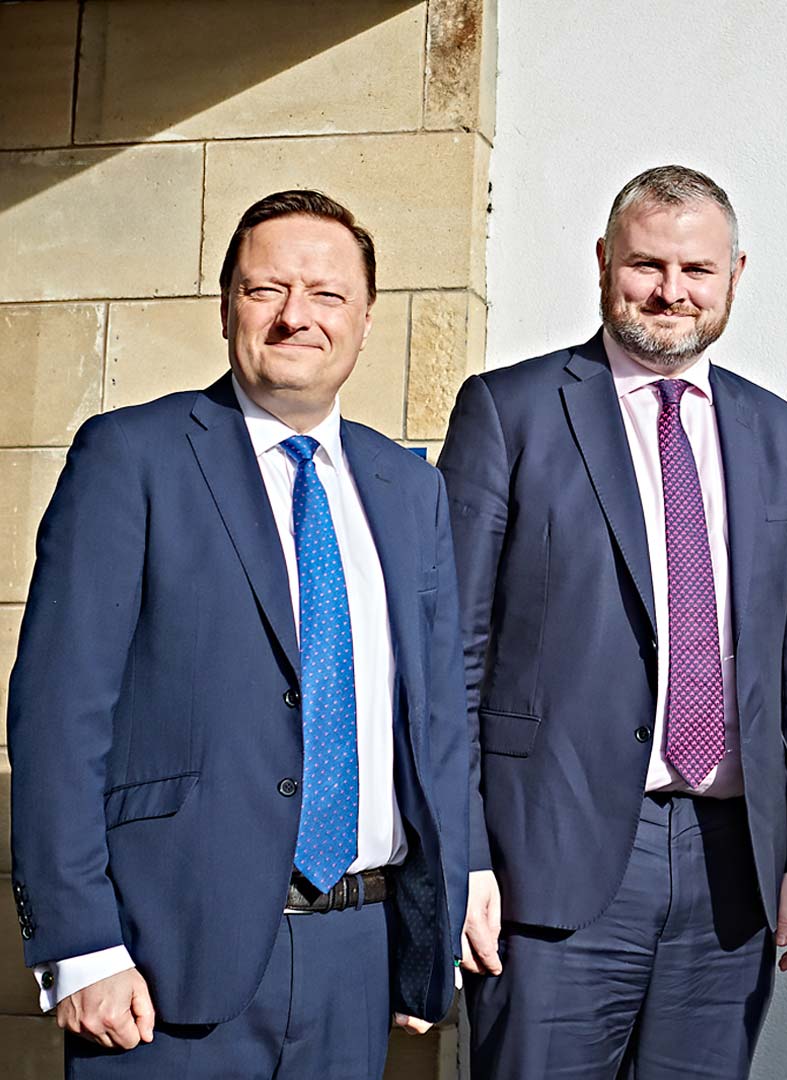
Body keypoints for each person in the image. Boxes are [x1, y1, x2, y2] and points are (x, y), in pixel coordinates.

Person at [7, 190, 469, 1077]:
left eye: (328, 295)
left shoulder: (409, 489)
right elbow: (59, 718)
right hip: (163, 959)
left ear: (367, 319)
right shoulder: (131, 457)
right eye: (267, 290)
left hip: (353, 955)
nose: (298, 316)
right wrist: (82, 946)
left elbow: (438, 723)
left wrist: (428, 932)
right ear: (227, 307)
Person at [440, 164, 787, 1080]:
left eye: (697, 270)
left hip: (732, 872)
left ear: (736, 274)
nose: (671, 292)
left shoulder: (781, 433)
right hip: (551, 864)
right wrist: (461, 858)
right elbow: (450, 657)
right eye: (647, 266)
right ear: (602, 263)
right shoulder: (509, 413)